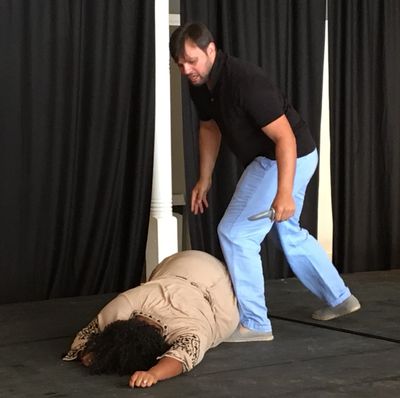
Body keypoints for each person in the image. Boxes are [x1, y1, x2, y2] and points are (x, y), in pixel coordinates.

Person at [169, 22, 361, 343]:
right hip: (282, 157)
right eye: (180, 64)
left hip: (288, 155)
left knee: (235, 233)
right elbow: (209, 128)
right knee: (287, 231)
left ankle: (255, 322)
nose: (187, 69)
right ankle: (339, 297)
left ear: (211, 50)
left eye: (193, 60)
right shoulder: (199, 84)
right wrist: (204, 178)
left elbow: (284, 138)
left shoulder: (246, 82)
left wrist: (284, 193)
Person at [62, 250, 239, 388]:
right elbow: (91, 331)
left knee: (224, 323)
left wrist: (153, 374)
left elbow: (181, 359)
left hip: (216, 281)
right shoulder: (126, 304)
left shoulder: (191, 328)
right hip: (180, 263)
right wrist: (87, 353)